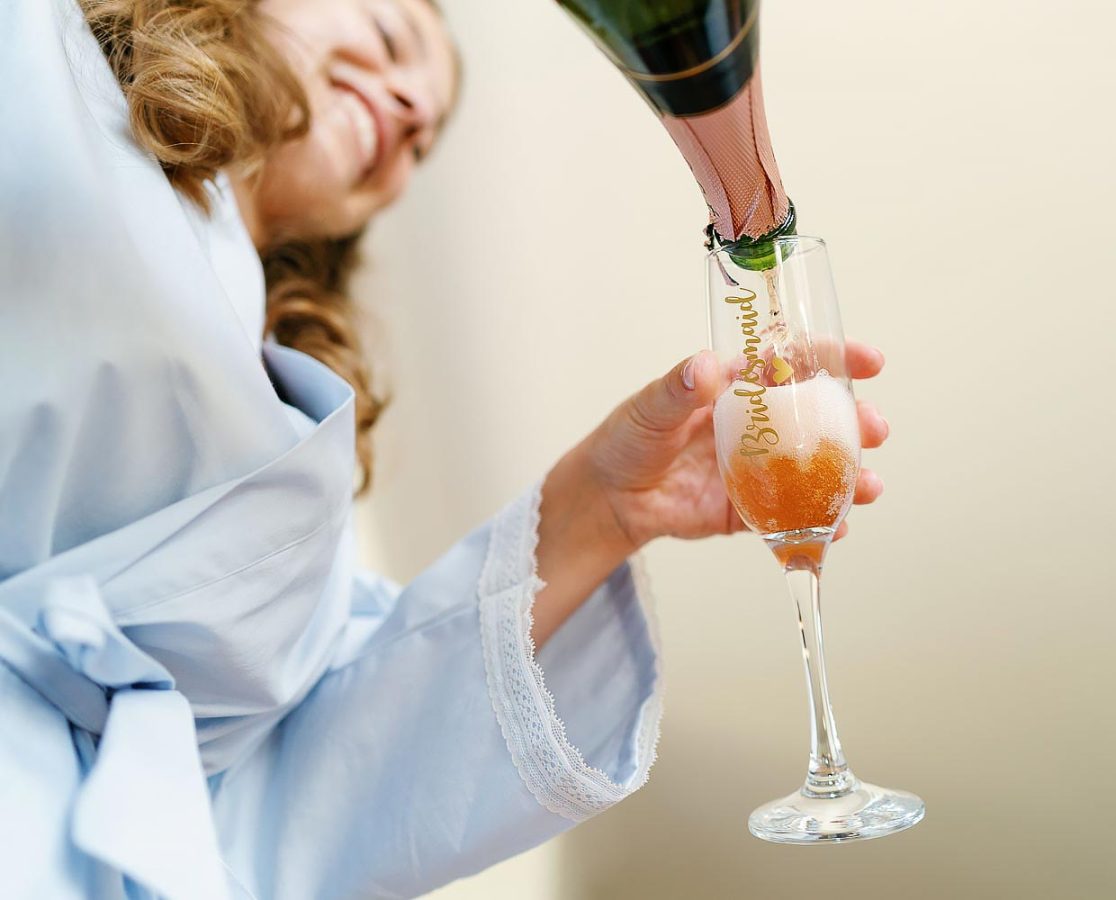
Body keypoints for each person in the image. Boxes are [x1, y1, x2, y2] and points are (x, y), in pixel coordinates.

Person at [0, 0, 891, 896]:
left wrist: (602, 505)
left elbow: (314, 789)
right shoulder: (41, 53)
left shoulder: (295, 424)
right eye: (390, 39)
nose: (414, 112)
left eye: (423, 143)